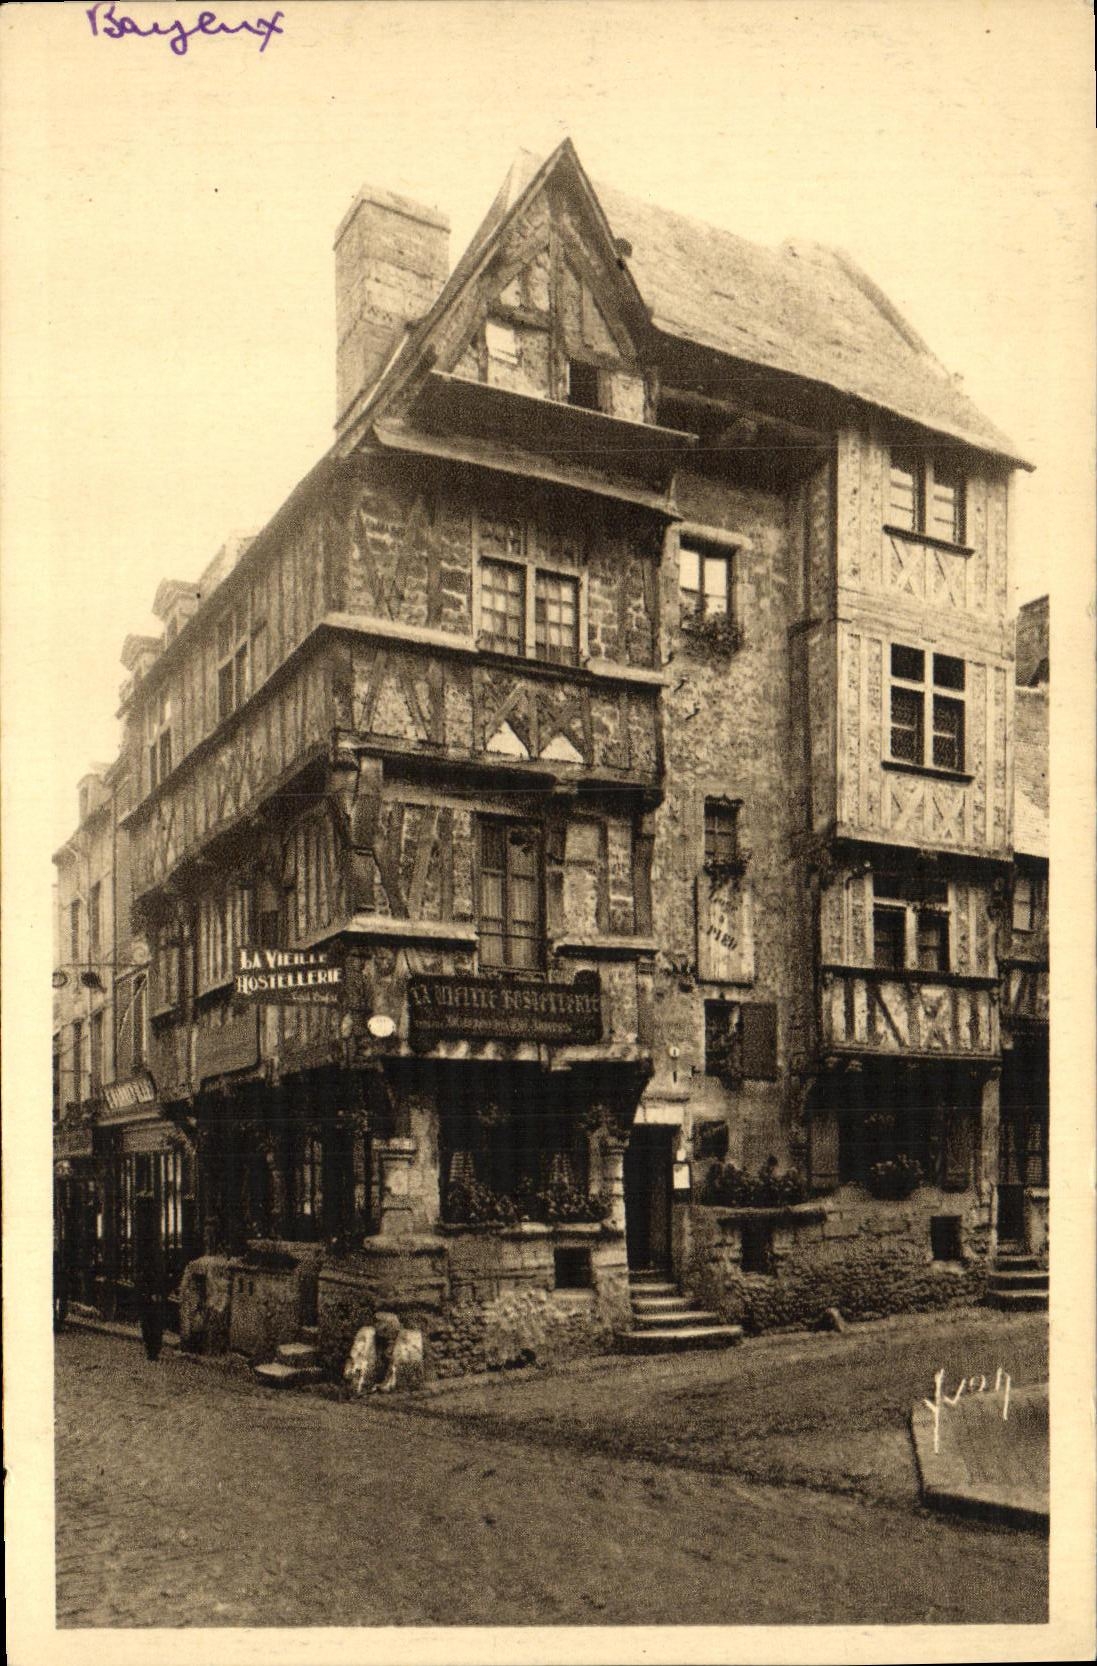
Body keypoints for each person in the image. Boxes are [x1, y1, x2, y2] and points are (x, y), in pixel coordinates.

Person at [133, 1189, 165, 1362]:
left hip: (146, 1273)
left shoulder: (141, 1226)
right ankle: (154, 1345)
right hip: (152, 1274)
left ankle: (151, 1345)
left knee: (147, 1312)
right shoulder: (153, 1225)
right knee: (153, 1311)